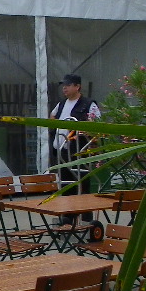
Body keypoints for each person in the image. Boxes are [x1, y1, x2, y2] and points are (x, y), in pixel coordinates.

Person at [48, 73, 102, 229]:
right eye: (63, 85)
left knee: (82, 183)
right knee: (66, 185)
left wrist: (84, 133)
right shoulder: (61, 104)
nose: (64, 88)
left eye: (68, 85)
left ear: (77, 86)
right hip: (62, 151)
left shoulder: (88, 104)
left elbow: (96, 124)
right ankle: (67, 218)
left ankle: (86, 218)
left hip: (79, 150)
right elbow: (52, 116)